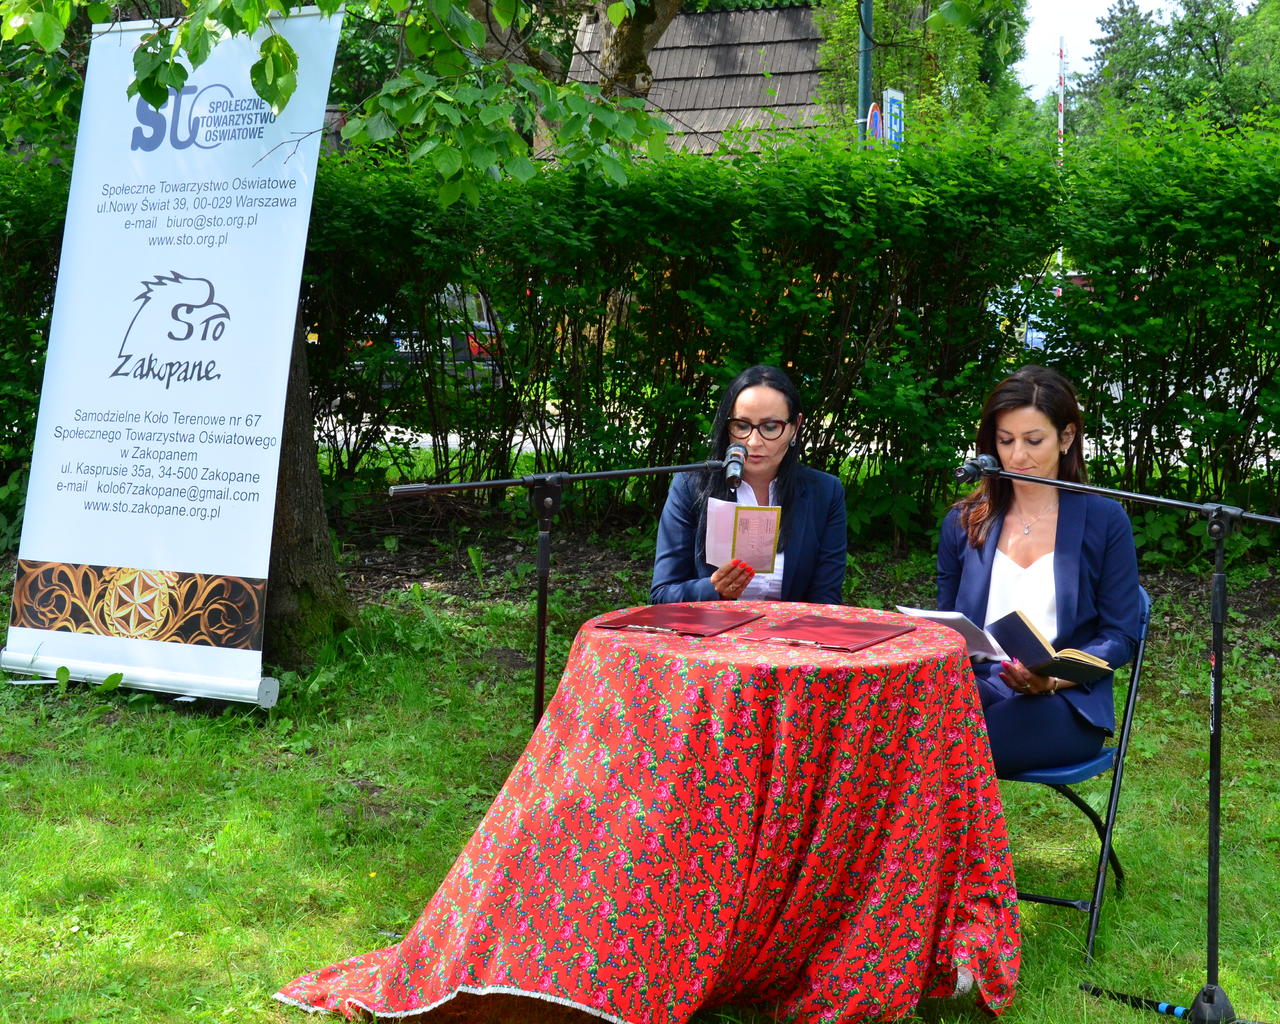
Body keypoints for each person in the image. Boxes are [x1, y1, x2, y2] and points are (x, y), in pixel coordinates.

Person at [937, 365, 1141, 776]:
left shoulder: (1104, 520)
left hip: (1063, 699)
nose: (1017, 456)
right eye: (1005, 441)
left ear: (1066, 437)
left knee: (953, 745)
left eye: (1033, 441)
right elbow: (946, 626)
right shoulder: (965, 521)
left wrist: (1051, 678)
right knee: (907, 724)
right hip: (978, 684)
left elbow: (1120, 637)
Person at [650, 364, 847, 605]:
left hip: (792, 629)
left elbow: (826, 602)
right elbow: (662, 595)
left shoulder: (825, 492)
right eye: (742, 426)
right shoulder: (691, 485)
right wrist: (713, 590)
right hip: (710, 628)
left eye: (770, 427)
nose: (753, 442)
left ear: (795, 427)